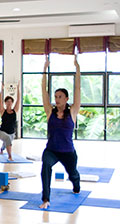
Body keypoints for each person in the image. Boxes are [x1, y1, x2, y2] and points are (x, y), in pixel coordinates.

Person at [39, 55, 81, 209]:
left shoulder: (73, 112)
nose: (56, 99)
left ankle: (76, 185)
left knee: (73, 174)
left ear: (66, 98)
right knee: (45, 168)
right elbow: (43, 91)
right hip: (51, 150)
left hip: (68, 152)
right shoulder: (50, 111)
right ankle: (46, 199)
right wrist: (44, 70)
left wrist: (77, 69)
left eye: (60, 97)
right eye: (55, 96)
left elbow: (78, 88)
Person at [0, 82, 21, 161]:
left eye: (10, 101)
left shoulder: (15, 110)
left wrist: (18, 88)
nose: (9, 103)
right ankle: (10, 156)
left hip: (11, 133)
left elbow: (19, 99)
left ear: (12, 102)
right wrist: (1, 89)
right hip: (1, 132)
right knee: (7, 139)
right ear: (5, 103)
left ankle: (1, 149)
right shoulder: (2, 111)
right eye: (7, 101)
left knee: (6, 142)